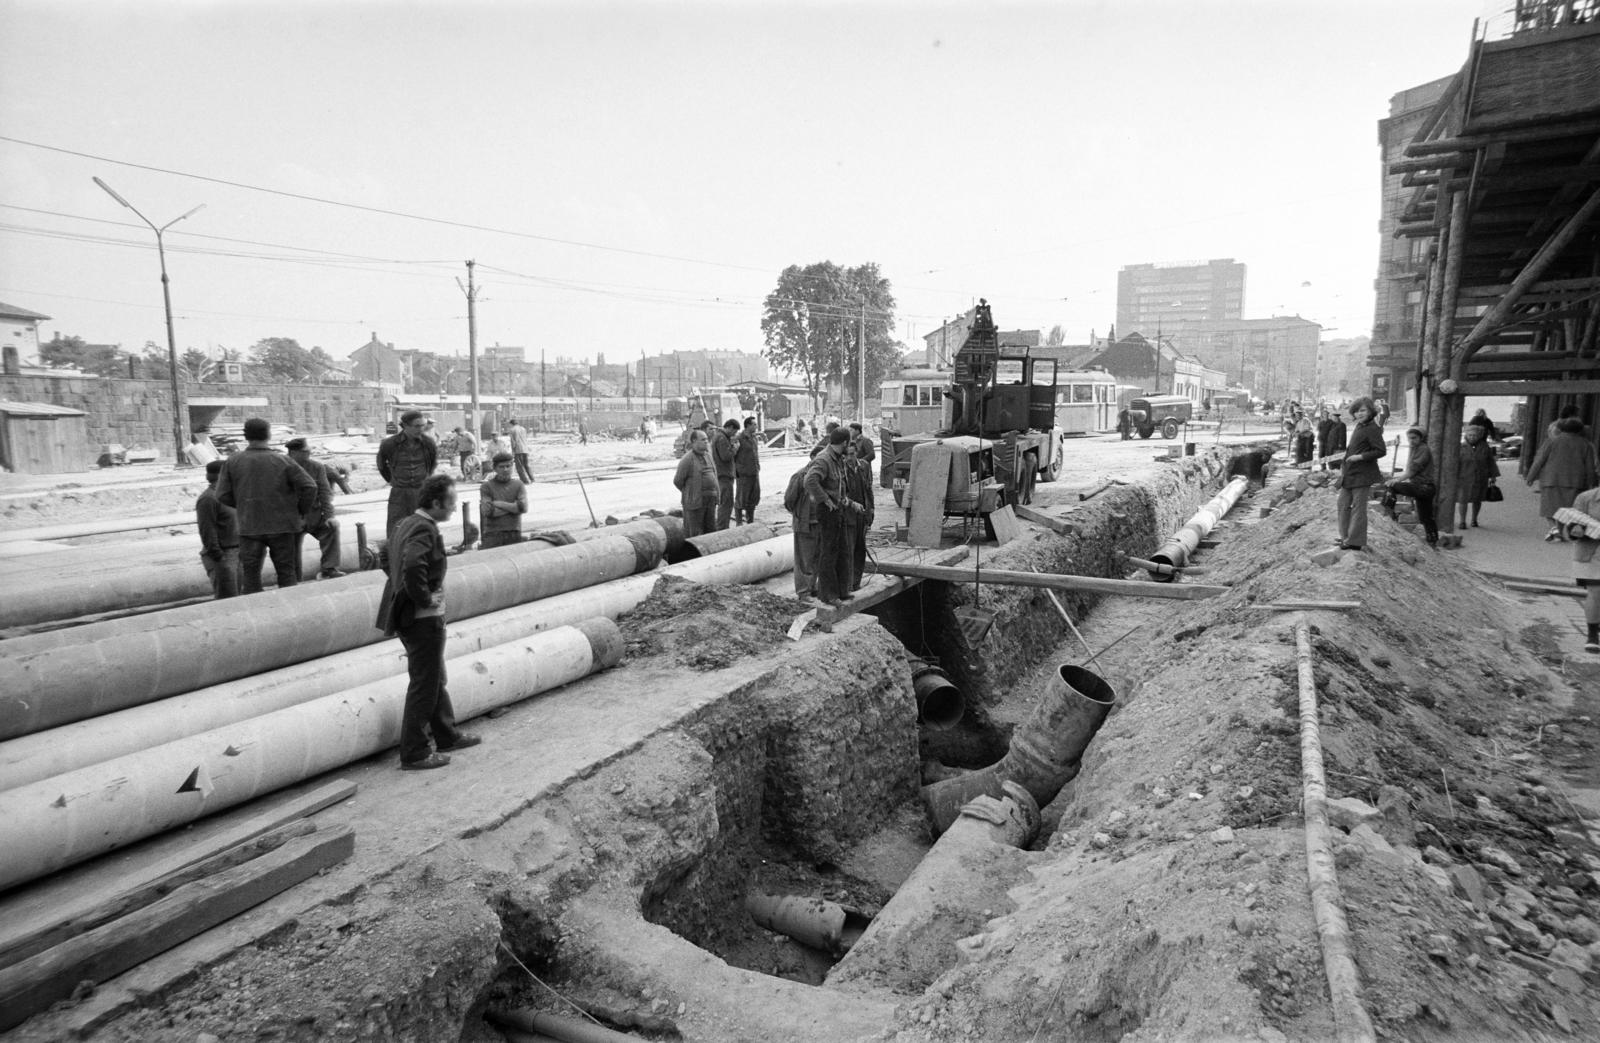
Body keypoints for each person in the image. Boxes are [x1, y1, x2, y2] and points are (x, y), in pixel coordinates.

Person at [375, 474, 481, 771]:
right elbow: (412, 564)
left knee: (434, 677)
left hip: (409, 616)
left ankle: (446, 734)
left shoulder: (406, 523)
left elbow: (386, 556)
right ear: (435, 502)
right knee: (425, 683)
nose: (452, 508)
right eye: (450, 503)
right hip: (422, 619)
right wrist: (422, 598)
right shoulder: (423, 528)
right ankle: (415, 752)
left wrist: (399, 587)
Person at [217, 417, 317, 594]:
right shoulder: (282, 461)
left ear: (246, 436)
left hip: (249, 526)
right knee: (287, 574)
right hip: (283, 526)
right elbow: (309, 486)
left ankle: (257, 616)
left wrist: (244, 504)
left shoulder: (233, 461)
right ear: (268, 435)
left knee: (251, 577)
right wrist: (300, 511)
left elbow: (222, 495)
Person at [803, 428, 857, 606]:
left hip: (839, 510)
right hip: (828, 513)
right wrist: (825, 500)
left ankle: (841, 591)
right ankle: (829, 595)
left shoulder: (837, 458)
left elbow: (840, 485)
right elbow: (810, 480)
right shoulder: (824, 459)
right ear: (844, 443)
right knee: (829, 553)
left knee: (842, 551)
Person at [1526, 417, 1599, 541]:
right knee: (1569, 508)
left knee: (1549, 507)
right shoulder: (1585, 444)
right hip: (1575, 481)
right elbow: (1589, 466)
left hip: (1551, 479)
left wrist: (1531, 476)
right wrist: (1592, 483)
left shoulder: (1552, 441)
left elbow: (1539, 460)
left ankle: (1554, 528)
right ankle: (1561, 530)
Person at [286, 438, 345, 579]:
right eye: (305, 452)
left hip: (314, 515)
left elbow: (325, 492)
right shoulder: (282, 466)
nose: (309, 454)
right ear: (294, 453)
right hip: (291, 517)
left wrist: (329, 516)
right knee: (289, 547)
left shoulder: (316, 467)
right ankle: (294, 576)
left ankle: (329, 568)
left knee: (331, 529)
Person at [1335, 397, 1386, 552]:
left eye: (1363, 410)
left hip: (1362, 474)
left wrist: (1360, 457)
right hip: (1350, 473)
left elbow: (1381, 451)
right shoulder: (1360, 426)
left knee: (1358, 508)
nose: (1359, 414)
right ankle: (1346, 537)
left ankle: (1355, 541)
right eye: (1356, 411)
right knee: (1342, 505)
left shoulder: (1372, 428)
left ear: (1370, 410)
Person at [378, 410, 438, 538]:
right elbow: (382, 465)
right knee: (397, 528)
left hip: (421, 491)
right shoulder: (389, 444)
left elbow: (432, 464)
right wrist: (393, 480)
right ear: (405, 426)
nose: (421, 429)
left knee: (423, 528)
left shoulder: (428, 443)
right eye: (417, 426)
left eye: (422, 425)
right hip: (399, 493)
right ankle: (396, 555)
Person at [1382, 428, 1439, 547]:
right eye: (1409, 438)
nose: (1411, 441)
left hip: (1424, 488)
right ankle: (1433, 541)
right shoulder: (1415, 449)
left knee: (1393, 487)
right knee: (1426, 517)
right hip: (1424, 487)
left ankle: (1388, 516)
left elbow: (1413, 470)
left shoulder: (1423, 449)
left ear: (1421, 438)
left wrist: (1396, 480)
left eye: (1414, 438)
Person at [1564, 479, 1600, 653]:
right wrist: (1575, 529)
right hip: (1591, 552)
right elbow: (1569, 527)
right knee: (1596, 591)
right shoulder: (1585, 498)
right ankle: (1592, 635)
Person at [195, 459, 240, 599]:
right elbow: (207, 531)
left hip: (236, 553)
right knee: (228, 600)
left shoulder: (229, 496)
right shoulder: (208, 499)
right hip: (223, 556)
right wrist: (219, 558)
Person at [674, 428, 719, 536]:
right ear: (694, 441)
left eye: (707, 439)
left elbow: (714, 474)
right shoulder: (687, 459)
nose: (706, 442)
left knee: (711, 530)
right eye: (703, 439)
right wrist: (691, 492)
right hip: (695, 503)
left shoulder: (708, 456)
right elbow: (678, 481)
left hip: (710, 500)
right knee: (695, 532)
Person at [843, 439, 875, 590]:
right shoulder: (841, 469)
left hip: (862, 514)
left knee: (860, 549)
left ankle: (856, 582)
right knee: (848, 550)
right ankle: (848, 584)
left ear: (856, 453)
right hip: (848, 515)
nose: (849, 458)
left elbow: (869, 489)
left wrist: (872, 509)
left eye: (852, 454)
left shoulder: (864, 466)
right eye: (846, 455)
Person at [479, 451, 527, 549]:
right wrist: (514, 507)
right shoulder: (486, 487)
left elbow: (523, 508)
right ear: (495, 468)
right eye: (501, 467)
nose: (505, 469)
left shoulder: (519, 485)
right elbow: (488, 511)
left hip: (514, 532)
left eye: (508, 466)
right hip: (492, 535)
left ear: (512, 467)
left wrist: (498, 504)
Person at [1456, 423, 1500, 529]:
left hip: (1480, 477)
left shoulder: (1485, 447)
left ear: (1479, 436)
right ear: (1466, 435)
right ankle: (1462, 521)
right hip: (1464, 477)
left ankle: (1474, 519)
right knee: (1463, 499)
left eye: (1474, 435)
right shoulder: (1460, 447)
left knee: (1477, 499)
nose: (1472, 437)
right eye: (1470, 435)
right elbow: (1455, 463)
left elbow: (1490, 462)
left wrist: (1493, 475)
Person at [786, 459, 818, 598]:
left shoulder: (822, 475)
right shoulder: (799, 477)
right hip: (805, 523)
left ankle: (812, 586)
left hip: (819, 522)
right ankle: (803, 591)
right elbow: (789, 501)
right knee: (804, 560)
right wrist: (799, 515)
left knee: (816, 557)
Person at [734, 416, 761, 525]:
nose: (756, 426)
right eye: (754, 424)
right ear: (748, 425)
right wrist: (738, 470)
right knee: (741, 498)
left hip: (754, 472)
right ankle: (739, 522)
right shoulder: (739, 438)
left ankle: (750, 521)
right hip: (744, 474)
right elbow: (733, 455)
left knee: (753, 498)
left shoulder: (754, 438)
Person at [712, 419, 738, 530]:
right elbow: (726, 456)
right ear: (730, 427)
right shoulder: (722, 438)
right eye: (734, 431)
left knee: (725, 503)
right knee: (726, 504)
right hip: (724, 475)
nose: (734, 434)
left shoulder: (720, 437)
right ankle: (722, 528)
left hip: (723, 474)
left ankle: (723, 526)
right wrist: (734, 448)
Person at [508, 418, 533, 483]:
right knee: (526, 465)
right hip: (525, 449)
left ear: (511, 424)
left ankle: (525, 481)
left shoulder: (512, 430)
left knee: (519, 467)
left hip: (518, 450)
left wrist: (513, 451)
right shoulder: (523, 429)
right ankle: (532, 478)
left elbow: (513, 441)